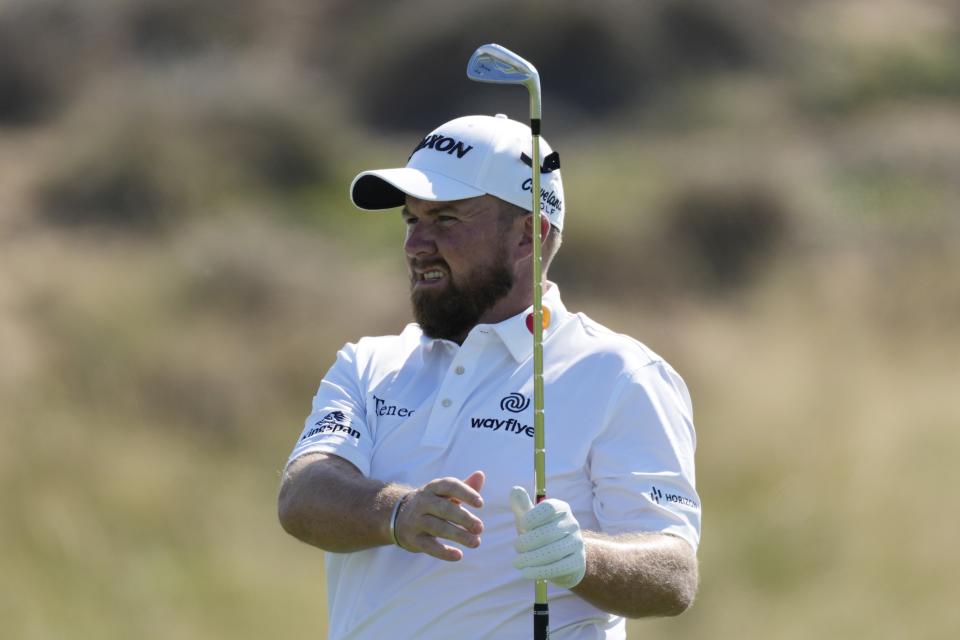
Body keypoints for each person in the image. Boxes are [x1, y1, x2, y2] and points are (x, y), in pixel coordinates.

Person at [277, 114, 701, 640]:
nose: (416, 246)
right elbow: (303, 496)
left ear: (528, 234)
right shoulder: (369, 363)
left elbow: (674, 575)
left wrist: (582, 559)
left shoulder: (619, 373)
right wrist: (398, 511)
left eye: (446, 220)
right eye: (412, 221)